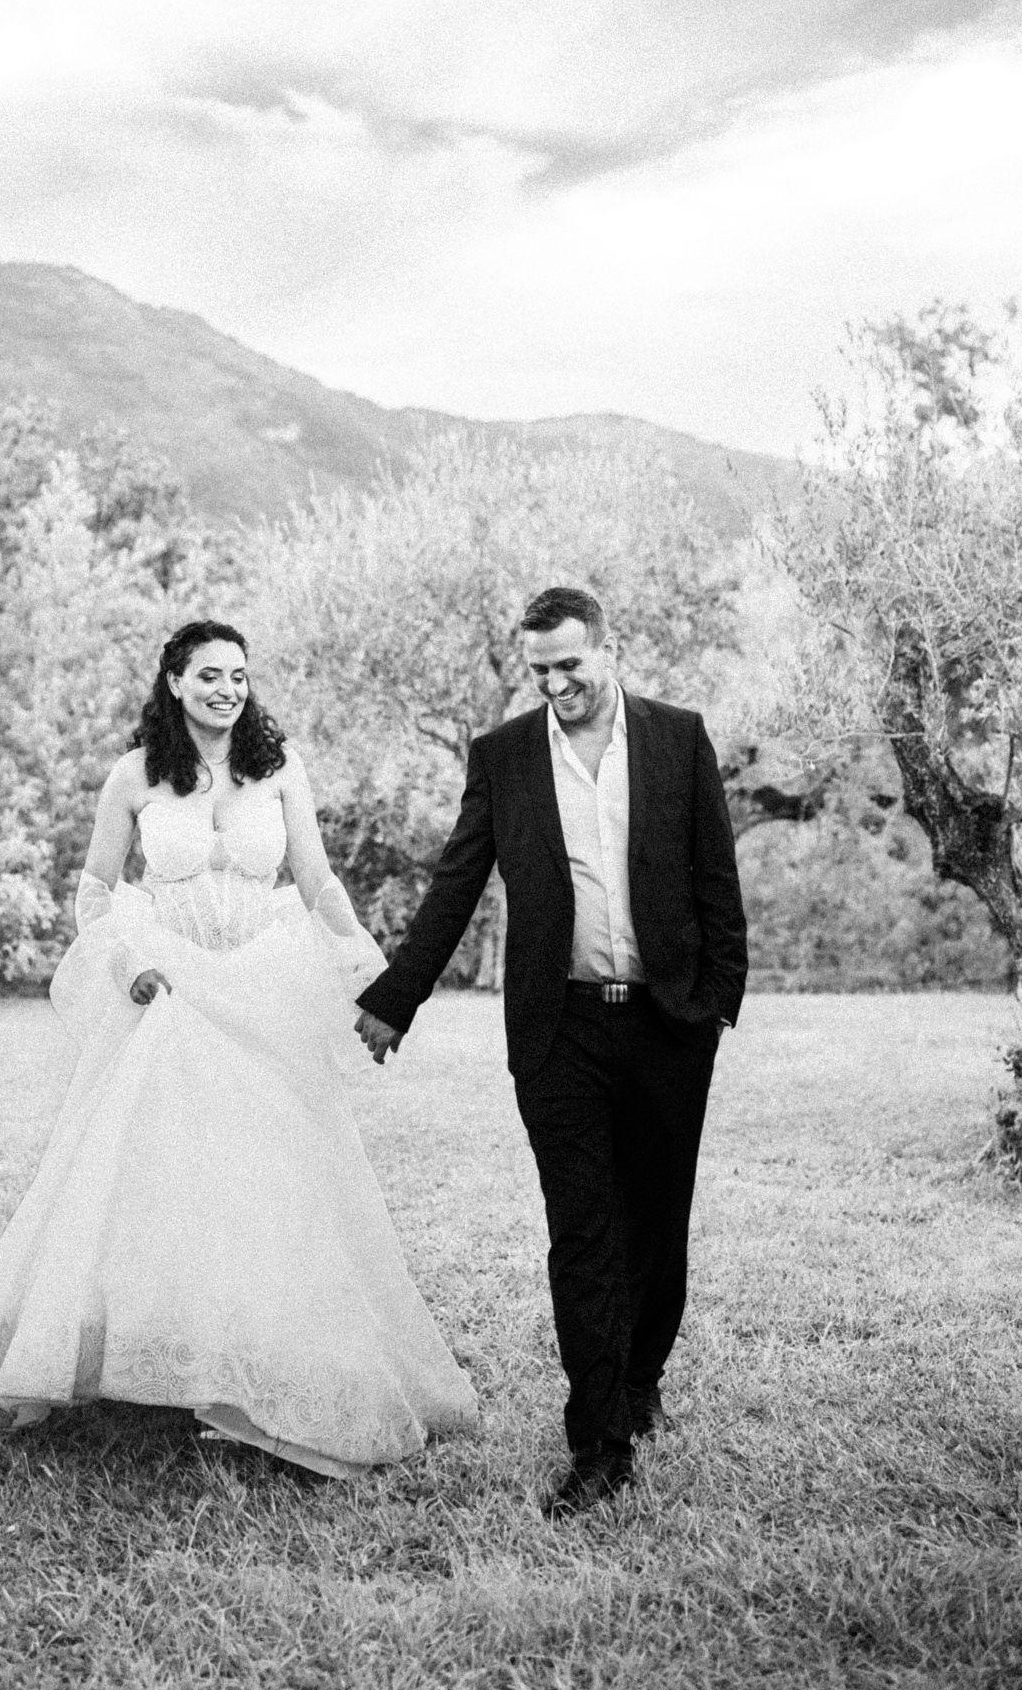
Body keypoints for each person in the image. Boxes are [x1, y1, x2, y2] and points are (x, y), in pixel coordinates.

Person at [0, 619, 477, 1477]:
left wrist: (367, 961)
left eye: (240, 675)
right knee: (160, 1172)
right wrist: (131, 961)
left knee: (271, 1171)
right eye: (210, 675)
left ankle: (263, 1362)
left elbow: (316, 879)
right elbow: (97, 890)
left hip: (262, 982)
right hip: (171, 985)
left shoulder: (280, 766)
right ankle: (161, 1352)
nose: (228, 688)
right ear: (175, 681)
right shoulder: (134, 774)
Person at [354, 585, 747, 1518]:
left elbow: (714, 875)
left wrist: (716, 1001)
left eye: (570, 664)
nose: (556, 684)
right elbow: (456, 884)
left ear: (609, 650)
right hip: (557, 1029)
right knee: (582, 1232)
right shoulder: (504, 759)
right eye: (539, 671)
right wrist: (394, 999)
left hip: (665, 1023)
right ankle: (599, 1440)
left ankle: (641, 1374)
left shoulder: (675, 738)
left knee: (656, 1222)